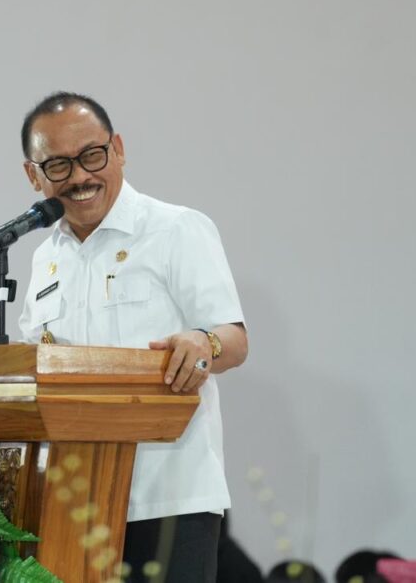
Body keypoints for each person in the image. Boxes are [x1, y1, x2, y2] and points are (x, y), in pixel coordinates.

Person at [17, 91, 248, 582]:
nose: (80, 176)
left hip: (169, 498)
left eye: (91, 155)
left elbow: (234, 339)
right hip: (74, 504)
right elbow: (38, 364)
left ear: (118, 149)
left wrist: (203, 343)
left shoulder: (175, 229)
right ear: (33, 176)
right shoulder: (45, 258)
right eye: (58, 165)